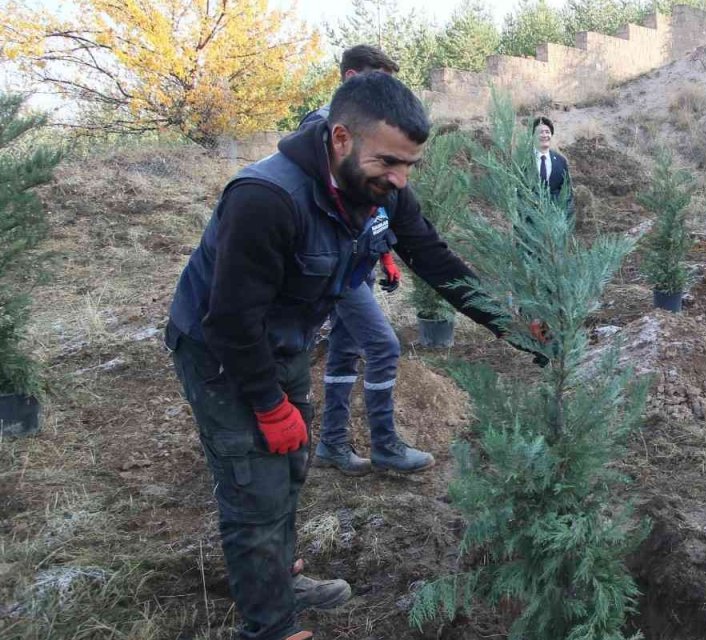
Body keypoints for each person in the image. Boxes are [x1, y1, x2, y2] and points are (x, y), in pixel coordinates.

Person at [166, 72, 523, 640]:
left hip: (284, 340)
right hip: (219, 351)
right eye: (389, 162)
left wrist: (513, 326)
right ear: (340, 139)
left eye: (410, 165)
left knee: (288, 469)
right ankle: (270, 627)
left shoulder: (382, 190)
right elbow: (231, 319)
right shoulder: (264, 199)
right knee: (253, 483)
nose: (401, 179)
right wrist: (264, 402)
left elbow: (434, 258)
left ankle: (278, 578)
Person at [299, 45, 431, 476]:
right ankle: (385, 443)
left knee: (345, 349)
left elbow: (372, 206)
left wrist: (385, 253)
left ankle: (332, 444)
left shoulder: (372, 134)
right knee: (383, 345)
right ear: (351, 76)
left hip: (358, 262)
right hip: (334, 269)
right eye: (378, 79)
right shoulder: (325, 133)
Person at [531, 115, 573, 219]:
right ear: (532, 136)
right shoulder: (523, 160)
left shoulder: (561, 161)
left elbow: (567, 192)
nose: (544, 135)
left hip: (555, 222)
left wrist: (565, 218)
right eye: (540, 132)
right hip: (529, 222)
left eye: (547, 132)